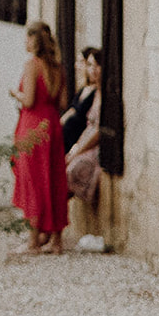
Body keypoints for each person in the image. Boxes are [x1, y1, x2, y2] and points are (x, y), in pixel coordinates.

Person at [10, 20, 69, 254]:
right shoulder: (58, 68)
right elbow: (63, 102)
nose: (25, 42)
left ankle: (33, 240)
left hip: (33, 126)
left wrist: (15, 92)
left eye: (27, 37)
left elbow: (30, 100)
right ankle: (56, 241)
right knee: (53, 179)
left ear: (34, 40)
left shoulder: (31, 66)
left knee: (33, 181)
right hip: (52, 125)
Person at [66, 48, 102, 215]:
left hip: (94, 149)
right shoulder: (92, 92)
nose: (92, 70)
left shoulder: (101, 95)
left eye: (96, 65)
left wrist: (77, 151)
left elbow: (97, 131)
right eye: (89, 65)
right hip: (82, 142)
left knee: (69, 171)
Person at [61, 47, 99, 152]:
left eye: (81, 62)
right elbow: (72, 109)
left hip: (78, 138)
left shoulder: (96, 92)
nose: (77, 66)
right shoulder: (83, 89)